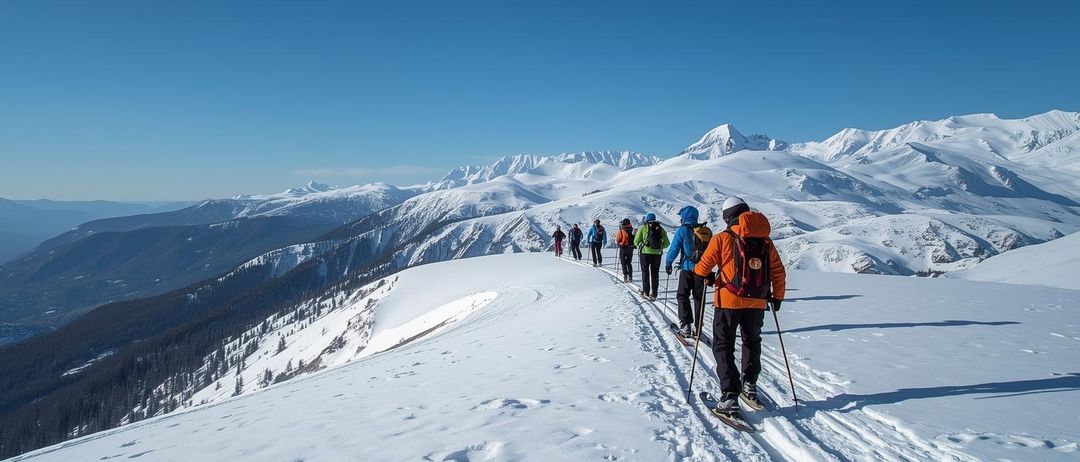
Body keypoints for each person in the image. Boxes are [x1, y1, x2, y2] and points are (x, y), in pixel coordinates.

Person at [693, 197, 786, 414]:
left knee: (723, 344)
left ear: (727, 216)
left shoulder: (722, 238)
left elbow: (701, 268)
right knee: (752, 341)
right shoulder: (765, 241)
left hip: (728, 300)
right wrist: (778, 297)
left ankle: (729, 395)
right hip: (757, 301)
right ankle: (750, 385)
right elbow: (778, 271)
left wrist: (707, 276)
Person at [664, 205, 709, 338]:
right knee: (699, 298)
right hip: (702, 270)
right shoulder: (704, 231)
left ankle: (686, 325)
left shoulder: (682, 230)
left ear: (684, 217)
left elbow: (674, 249)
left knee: (682, 296)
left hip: (687, 268)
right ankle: (699, 327)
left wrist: (668, 263)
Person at [634, 213, 669, 300]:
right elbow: (667, 243)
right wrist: (660, 247)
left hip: (645, 253)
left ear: (646, 220)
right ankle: (654, 294)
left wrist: (640, 245)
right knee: (655, 273)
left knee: (645, 272)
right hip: (657, 255)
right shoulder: (660, 229)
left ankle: (646, 292)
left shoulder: (643, 228)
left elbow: (636, 241)